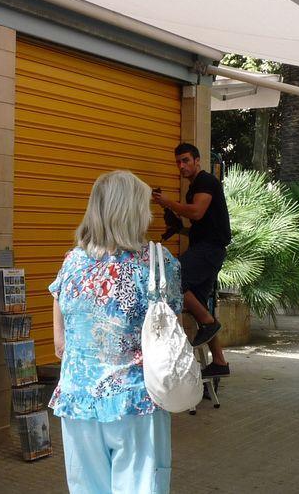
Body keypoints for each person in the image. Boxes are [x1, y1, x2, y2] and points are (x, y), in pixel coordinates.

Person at [50, 170, 180, 494]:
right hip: (136, 401)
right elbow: (170, 327)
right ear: (132, 210)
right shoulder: (157, 262)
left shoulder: (73, 261)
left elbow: (59, 339)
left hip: (77, 399)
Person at [152, 143, 232, 377]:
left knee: (172, 277)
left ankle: (209, 322)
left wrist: (167, 202)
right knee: (197, 302)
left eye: (186, 160)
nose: (181, 165)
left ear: (197, 160)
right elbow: (203, 226)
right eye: (178, 161)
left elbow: (196, 212)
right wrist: (179, 229)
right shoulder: (194, 189)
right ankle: (219, 361)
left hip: (209, 250)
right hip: (205, 247)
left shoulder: (206, 182)